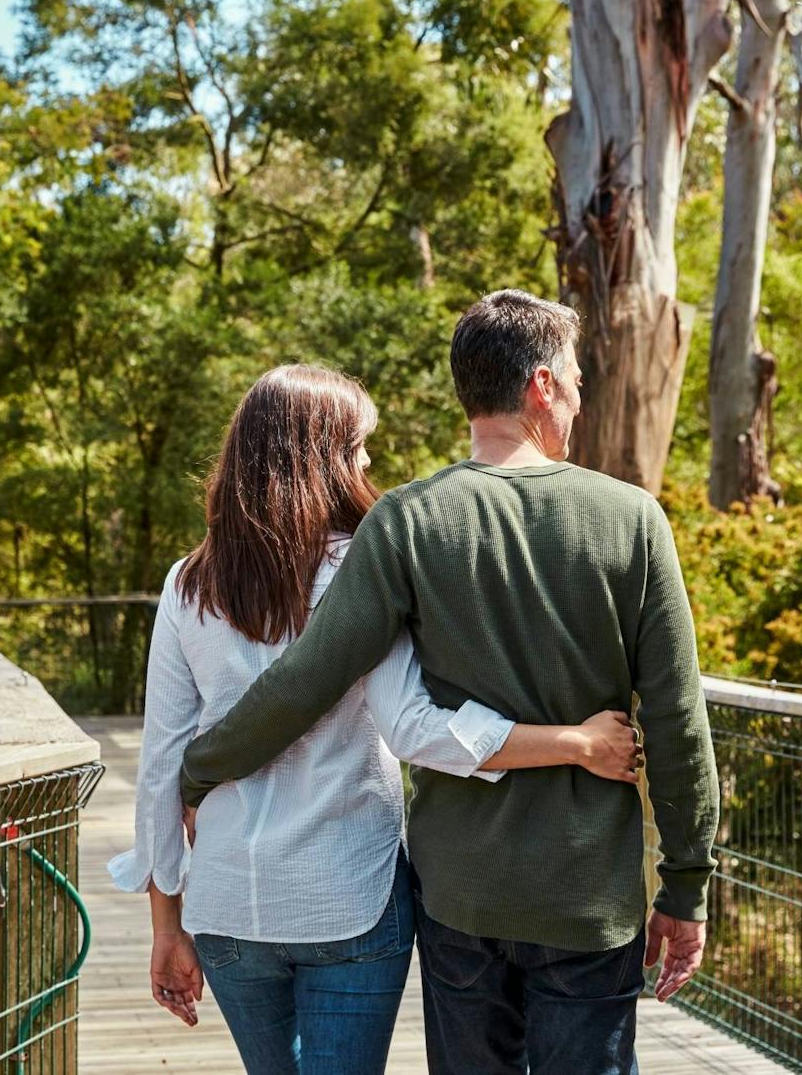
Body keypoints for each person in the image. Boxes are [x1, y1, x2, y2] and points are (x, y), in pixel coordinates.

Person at [181, 290, 720, 1075]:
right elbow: (676, 716)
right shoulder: (632, 519)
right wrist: (686, 885)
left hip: (459, 900)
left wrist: (202, 767)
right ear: (540, 385)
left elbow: (308, 678)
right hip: (585, 900)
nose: (579, 395)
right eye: (573, 378)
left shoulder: (407, 520)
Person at [109, 362, 644, 1075]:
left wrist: (165, 925)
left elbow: (160, 766)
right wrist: (573, 744)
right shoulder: (369, 565)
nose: (368, 461)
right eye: (359, 444)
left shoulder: (189, 584)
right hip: (350, 900)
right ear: (323, 456)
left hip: (225, 906)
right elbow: (414, 729)